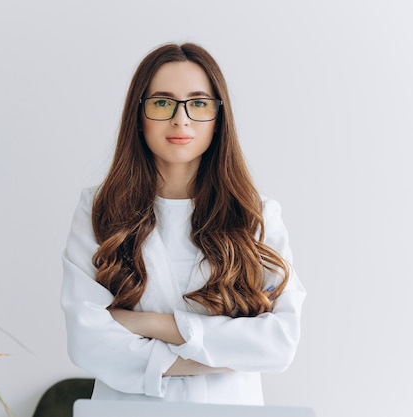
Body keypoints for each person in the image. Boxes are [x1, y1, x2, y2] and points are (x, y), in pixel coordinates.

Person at [60, 42, 306, 405]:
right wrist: (221, 355)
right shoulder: (99, 209)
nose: (181, 119)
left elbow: (279, 343)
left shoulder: (256, 215)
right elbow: (87, 342)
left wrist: (149, 325)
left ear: (218, 117)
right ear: (139, 115)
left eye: (199, 103)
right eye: (162, 102)